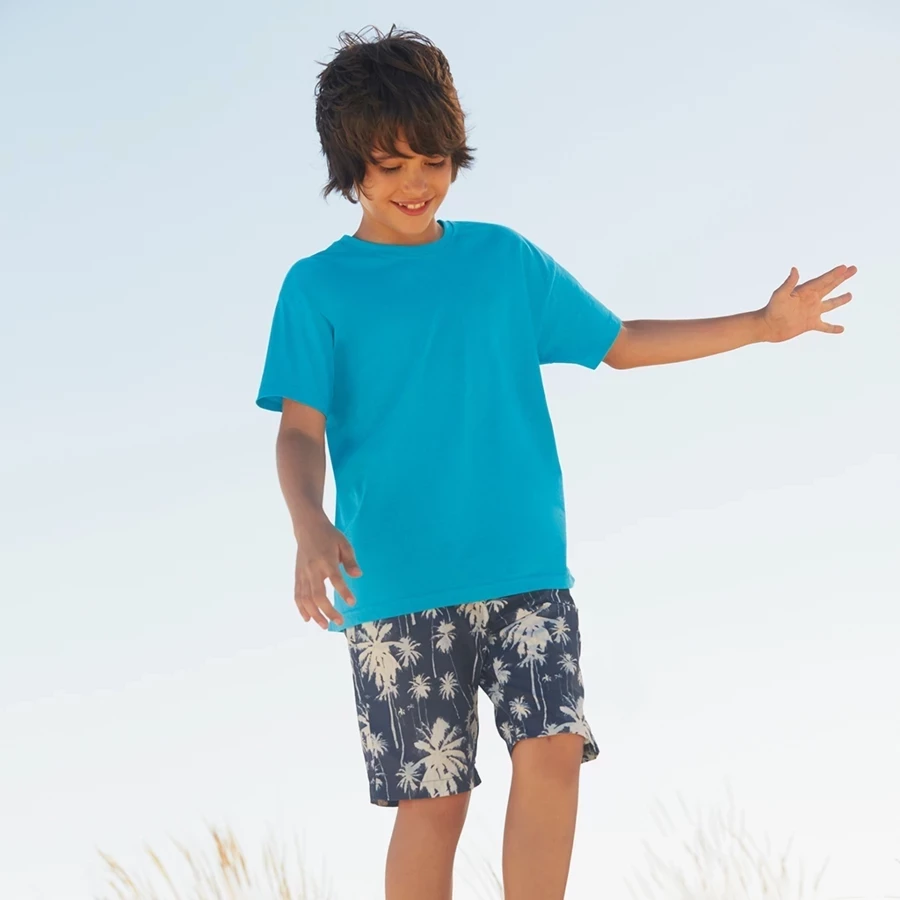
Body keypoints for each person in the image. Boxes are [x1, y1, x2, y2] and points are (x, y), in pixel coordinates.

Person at [255, 24, 856, 900]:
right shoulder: (317, 287)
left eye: (432, 160)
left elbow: (620, 343)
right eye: (390, 165)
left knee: (555, 745)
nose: (416, 183)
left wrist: (761, 327)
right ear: (351, 169)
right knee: (435, 803)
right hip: (396, 583)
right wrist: (309, 524)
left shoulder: (504, 261)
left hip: (525, 569)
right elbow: (299, 431)